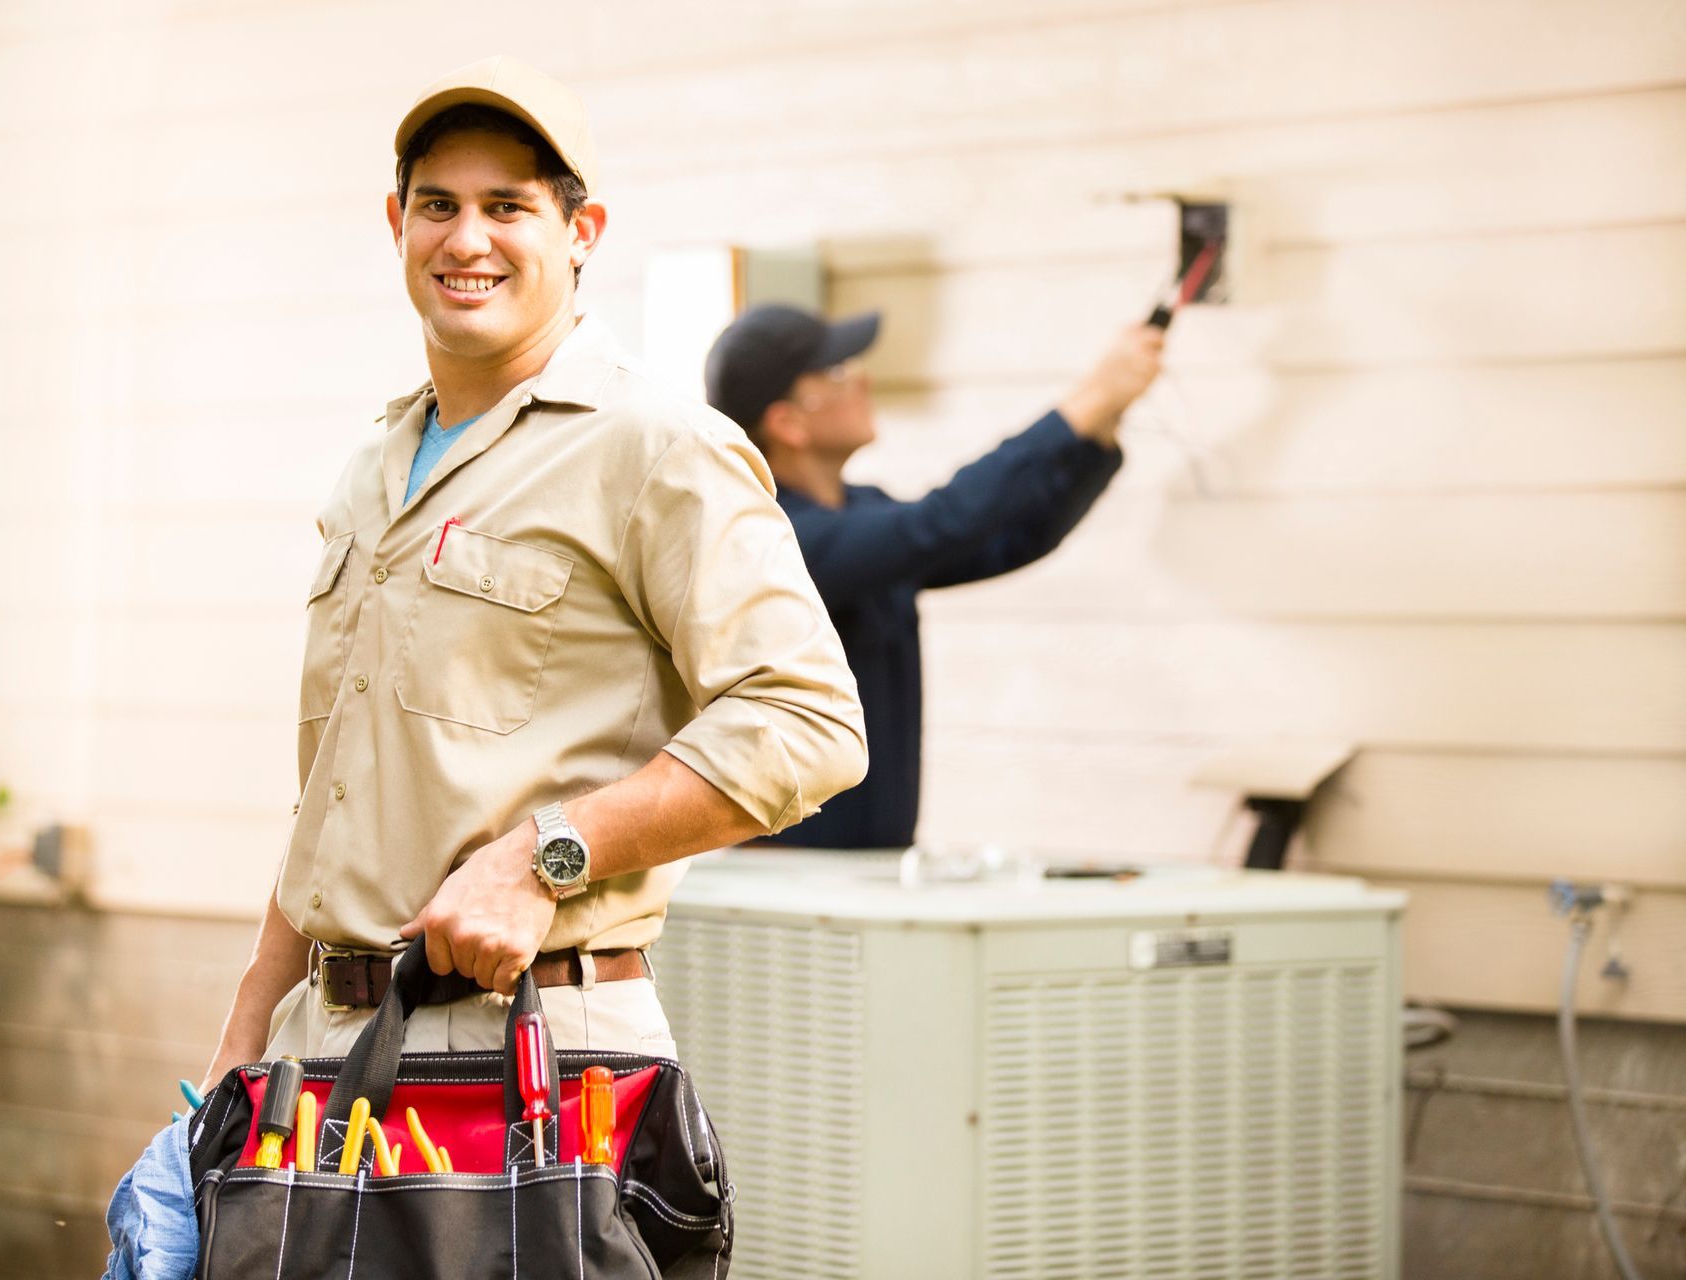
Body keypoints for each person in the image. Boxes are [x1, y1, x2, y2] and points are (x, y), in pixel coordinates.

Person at [194, 58, 866, 1090]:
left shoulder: (655, 446)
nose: (467, 239)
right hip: (318, 1052)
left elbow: (808, 720)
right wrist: (245, 1035)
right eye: (439, 206)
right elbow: (336, 794)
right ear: (397, 224)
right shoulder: (372, 469)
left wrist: (546, 852)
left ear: (580, 233)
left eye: (507, 206)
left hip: (531, 1052)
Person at [704, 305, 1162, 849]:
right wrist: (1088, 399)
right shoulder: (776, 537)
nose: (862, 381)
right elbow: (942, 523)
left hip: (873, 859)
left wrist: (1101, 426)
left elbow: (1010, 539)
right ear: (787, 423)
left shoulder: (860, 511)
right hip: (795, 869)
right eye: (836, 373)